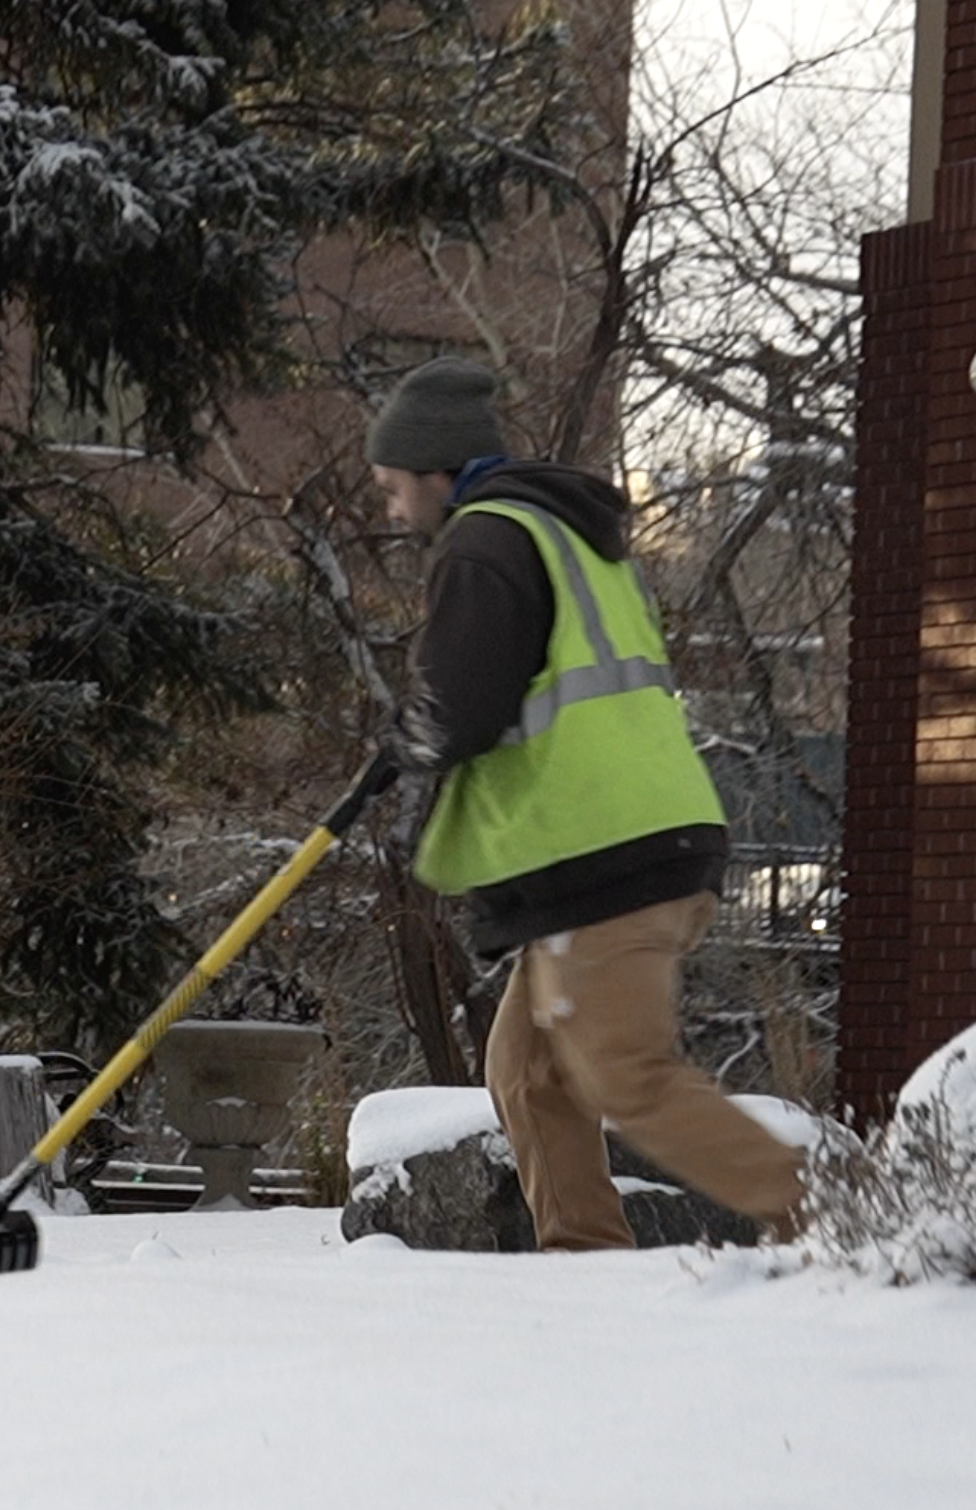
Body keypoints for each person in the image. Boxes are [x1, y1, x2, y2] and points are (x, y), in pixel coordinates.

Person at [365, 356, 804, 1250]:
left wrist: (407, 741)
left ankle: (850, 1218)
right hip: (631, 837)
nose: (390, 507)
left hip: (610, 854)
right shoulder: (561, 533)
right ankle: (585, 1267)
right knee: (528, 1073)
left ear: (437, 471)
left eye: (393, 486)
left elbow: (462, 705)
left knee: (624, 1073)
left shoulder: (486, 541)